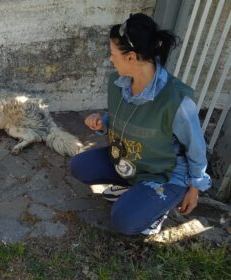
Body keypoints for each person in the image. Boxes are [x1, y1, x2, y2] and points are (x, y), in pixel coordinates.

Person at [70, 13, 211, 235]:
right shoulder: (117, 83)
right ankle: (134, 190)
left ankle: (155, 210)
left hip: (164, 174)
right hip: (132, 160)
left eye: (113, 53)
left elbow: (196, 147)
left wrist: (195, 188)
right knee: (79, 166)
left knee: (124, 221)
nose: (110, 59)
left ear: (131, 58)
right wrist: (103, 123)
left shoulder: (176, 101)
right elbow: (128, 120)